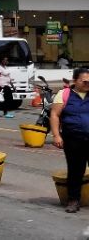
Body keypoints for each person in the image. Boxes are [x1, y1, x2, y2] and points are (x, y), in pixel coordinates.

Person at [52, 68, 89, 213]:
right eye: (84, 81)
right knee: (75, 171)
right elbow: (55, 114)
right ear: (75, 81)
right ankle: (73, 200)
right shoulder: (64, 94)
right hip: (73, 139)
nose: (87, 84)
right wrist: (56, 135)